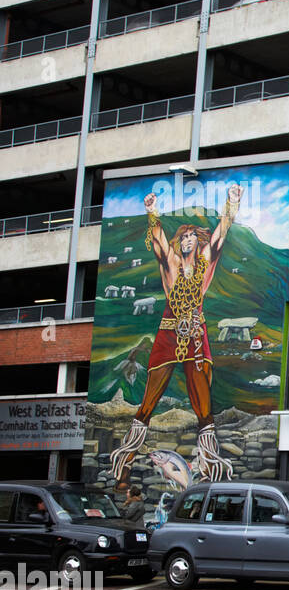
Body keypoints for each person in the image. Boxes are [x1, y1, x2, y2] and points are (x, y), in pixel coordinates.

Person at [109, 186, 242, 488]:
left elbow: (221, 235)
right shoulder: (170, 263)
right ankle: (124, 464)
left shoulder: (205, 263)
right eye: (182, 237)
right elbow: (157, 241)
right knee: (148, 401)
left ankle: (208, 467)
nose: (186, 240)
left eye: (190, 236)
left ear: (198, 241)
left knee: (203, 405)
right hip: (169, 332)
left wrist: (232, 204)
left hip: (195, 333)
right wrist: (152, 212)